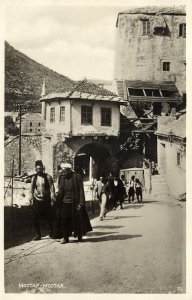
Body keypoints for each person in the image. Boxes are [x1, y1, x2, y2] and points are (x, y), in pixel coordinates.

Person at [56, 162, 92, 244]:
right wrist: (57, 196)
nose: (63, 173)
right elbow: (60, 190)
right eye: (62, 172)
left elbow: (81, 191)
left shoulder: (77, 177)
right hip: (65, 202)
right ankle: (65, 238)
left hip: (75, 203)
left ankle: (79, 236)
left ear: (69, 170)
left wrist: (81, 203)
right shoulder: (61, 178)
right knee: (64, 220)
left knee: (77, 220)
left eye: (65, 172)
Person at [29, 160, 56, 241]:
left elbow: (52, 187)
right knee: (35, 217)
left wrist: (52, 197)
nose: (39, 170)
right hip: (37, 200)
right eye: (37, 169)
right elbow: (31, 189)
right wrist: (30, 197)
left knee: (49, 217)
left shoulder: (48, 177)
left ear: (43, 168)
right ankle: (38, 234)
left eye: (40, 168)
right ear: (35, 169)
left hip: (46, 200)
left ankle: (51, 232)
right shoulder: (34, 178)